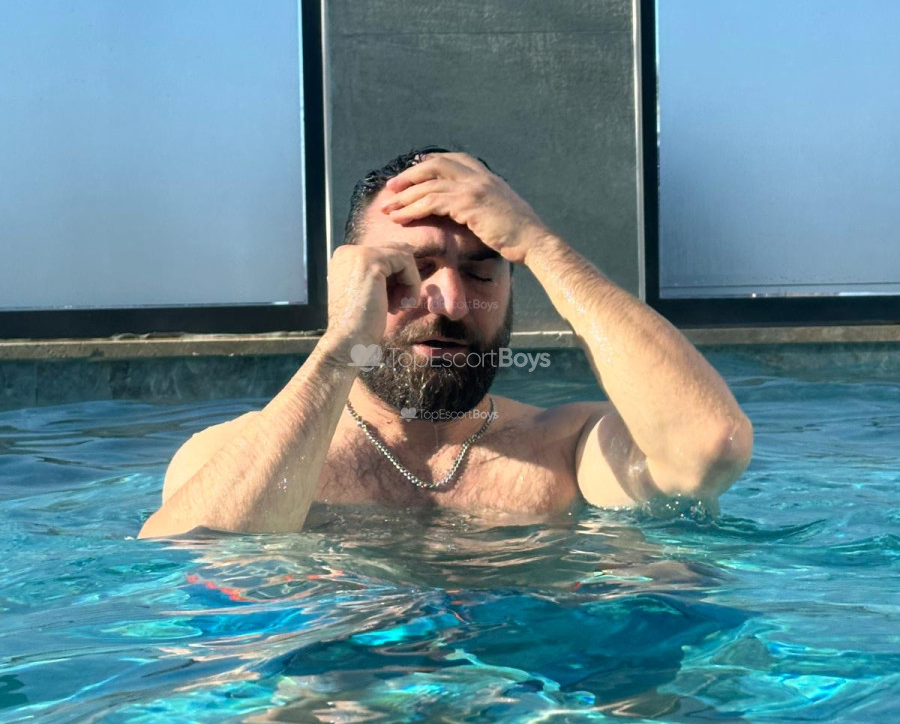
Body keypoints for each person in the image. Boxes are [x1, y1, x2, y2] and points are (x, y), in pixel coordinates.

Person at [138, 148, 753, 538]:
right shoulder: (238, 452)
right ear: (353, 279)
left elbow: (708, 448)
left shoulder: (567, 452)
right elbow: (196, 564)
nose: (453, 303)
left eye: (483, 273)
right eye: (411, 269)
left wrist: (540, 246)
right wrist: (343, 342)